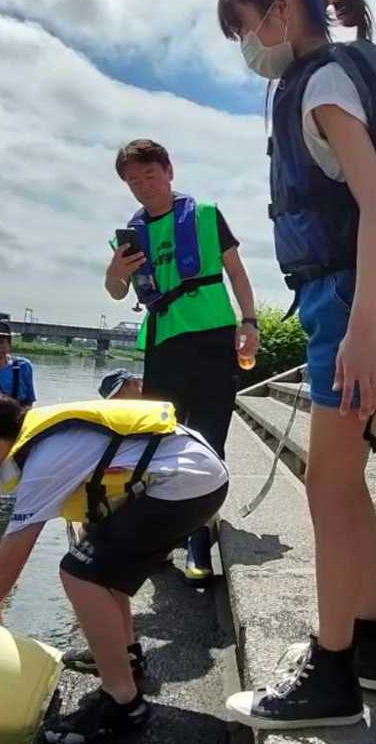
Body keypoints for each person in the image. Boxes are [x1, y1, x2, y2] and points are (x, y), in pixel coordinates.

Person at [216, 0, 376, 730]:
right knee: (346, 484)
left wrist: (361, 332)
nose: (247, 47)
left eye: (243, 26)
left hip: (350, 298)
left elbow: (375, 206)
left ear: (280, 9)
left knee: (329, 486)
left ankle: (331, 670)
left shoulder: (323, 84)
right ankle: (367, 645)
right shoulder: (335, 74)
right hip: (356, 294)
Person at [0, 393, 228, 743]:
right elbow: (20, 549)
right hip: (194, 475)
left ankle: (124, 705)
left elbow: (10, 560)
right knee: (96, 562)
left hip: (184, 485)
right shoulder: (45, 443)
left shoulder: (46, 459)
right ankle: (127, 661)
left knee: (79, 572)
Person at [104, 139, 258, 583]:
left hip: (212, 338)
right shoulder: (130, 235)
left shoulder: (207, 216)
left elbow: (237, 272)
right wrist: (116, 271)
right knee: (159, 440)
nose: (142, 187)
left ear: (169, 170)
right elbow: (117, 292)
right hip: (163, 343)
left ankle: (198, 540)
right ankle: (158, 533)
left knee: (210, 437)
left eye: (149, 175)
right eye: (133, 182)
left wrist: (249, 322)